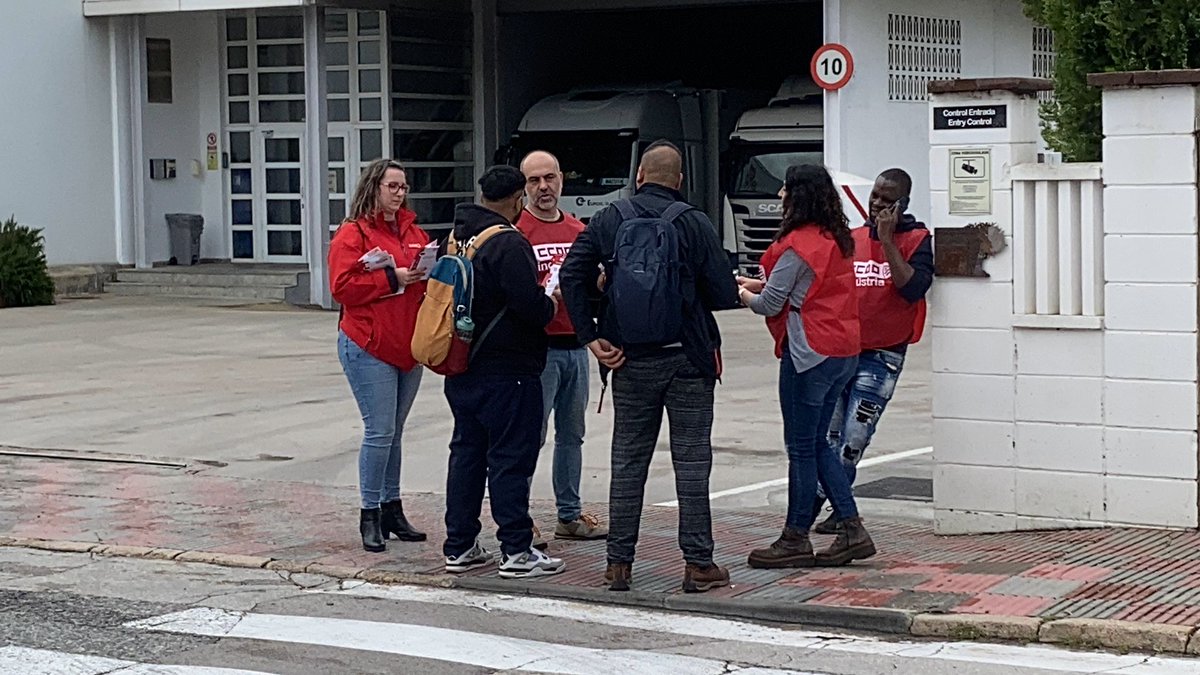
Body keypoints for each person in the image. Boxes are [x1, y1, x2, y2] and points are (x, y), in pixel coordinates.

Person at [559, 140, 741, 593]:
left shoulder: (609, 219)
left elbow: (571, 275)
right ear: (679, 181)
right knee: (693, 462)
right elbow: (722, 294)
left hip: (630, 359)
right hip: (688, 360)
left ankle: (618, 564)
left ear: (639, 175)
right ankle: (699, 564)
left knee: (628, 461)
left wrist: (591, 336)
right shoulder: (694, 221)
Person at [737, 163, 876, 569]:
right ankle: (851, 528)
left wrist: (741, 293)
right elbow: (805, 289)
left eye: (784, 189)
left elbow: (771, 304)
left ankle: (796, 536)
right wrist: (763, 285)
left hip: (809, 353)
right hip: (842, 349)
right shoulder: (836, 238)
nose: (779, 196)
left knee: (801, 447)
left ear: (797, 196)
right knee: (819, 444)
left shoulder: (797, 246)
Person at [442, 165, 566, 579]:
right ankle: (516, 550)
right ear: (517, 199)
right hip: (509, 369)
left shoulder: (458, 237)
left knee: (467, 455)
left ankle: (459, 546)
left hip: (462, 363)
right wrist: (551, 301)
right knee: (511, 459)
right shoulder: (509, 244)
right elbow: (529, 308)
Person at [814, 168, 933, 535]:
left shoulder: (918, 238)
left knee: (855, 437)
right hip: (842, 350)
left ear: (904, 202)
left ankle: (823, 505)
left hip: (882, 356)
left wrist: (887, 240)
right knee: (829, 436)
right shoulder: (850, 238)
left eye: (888, 198)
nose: (878, 203)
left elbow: (911, 288)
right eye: (876, 195)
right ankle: (828, 506)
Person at [328, 158, 429, 553]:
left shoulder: (413, 231)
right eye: (392, 186)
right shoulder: (353, 234)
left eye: (403, 187)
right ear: (374, 187)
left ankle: (392, 507)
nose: (399, 193)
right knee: (380, 430)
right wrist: (393, 278)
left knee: (394, 432)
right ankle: (369, 512)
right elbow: (342, 286)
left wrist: (426, 271)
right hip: (368, 343)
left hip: (407, 346)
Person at [515, 150, 608, 544]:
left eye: (549, 178)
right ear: (524, 186)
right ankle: (518, 516)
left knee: (573, 435)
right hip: (538, 350)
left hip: (576, 347)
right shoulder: (516, 231)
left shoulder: (577, 230)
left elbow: (591, 285)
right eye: (535, 180)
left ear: (561, 181)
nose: (543, 187)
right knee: (529, 436)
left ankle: (568, 515)